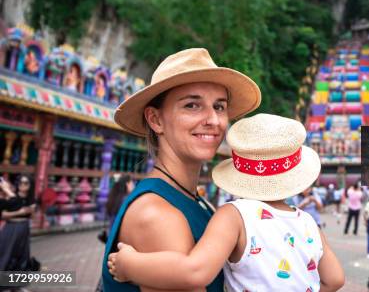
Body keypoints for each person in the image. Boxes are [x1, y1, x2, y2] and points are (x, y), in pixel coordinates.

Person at [108, 114, 345, 291]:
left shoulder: (234, 215)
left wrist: (131, 265)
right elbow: (335, 280)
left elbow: (195, 271)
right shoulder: (308, 222)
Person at [102, 48, 262, 292]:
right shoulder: (157, 215)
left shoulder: (198, 201)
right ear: (155, 120)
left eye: (219, 107)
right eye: (192, 105)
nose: (214, 120)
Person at [0, 174, 36, 271]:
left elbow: (32, 217)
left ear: (30, 185)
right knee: (6, 252)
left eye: (25, 183)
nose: (22, 185)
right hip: (11, 227)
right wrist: (18, 212)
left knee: (21, 254)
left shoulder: (31, 200)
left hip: (24, 228)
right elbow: (3, 215)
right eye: (20, 182)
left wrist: (32, 212)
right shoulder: (11, 197)